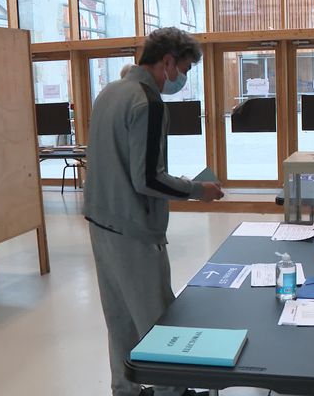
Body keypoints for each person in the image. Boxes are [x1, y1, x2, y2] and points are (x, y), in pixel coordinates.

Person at [84, 28, 224, 396]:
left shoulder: (108, 93)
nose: (184, 78)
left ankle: (125, 389)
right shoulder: (147, 101)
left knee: (118, 318)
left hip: (101, 223)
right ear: (168, 62)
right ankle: (170, 392)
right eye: (187, 68)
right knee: (159, 318)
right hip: (133, 231)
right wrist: (198, 190)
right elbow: (146, 178)